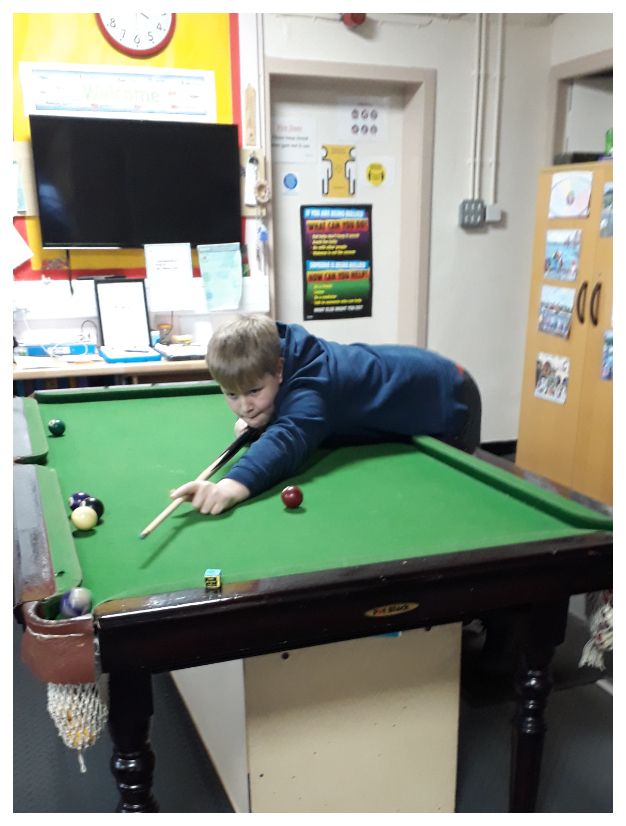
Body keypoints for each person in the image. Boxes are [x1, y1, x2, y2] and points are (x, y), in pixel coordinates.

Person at [171, 315, 481, 515]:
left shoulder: (313, 385)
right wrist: (263, 413)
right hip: (418, 386)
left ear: (279, 369)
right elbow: (283, 411)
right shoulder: (276, 352)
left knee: (450, 505)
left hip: (447, 394)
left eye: (253, 392)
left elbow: (289, 437)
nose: (244, 406)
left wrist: (229, 486)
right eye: (231, 394)